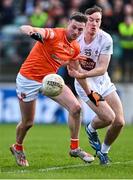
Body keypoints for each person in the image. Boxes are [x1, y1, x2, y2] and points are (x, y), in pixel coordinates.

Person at [9, 12, 96, 167]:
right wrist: (32, 31)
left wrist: (89, 92)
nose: (76, 32)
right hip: (28, 80)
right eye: (74, 27)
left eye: (80, 30)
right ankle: (18, 147)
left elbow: (76, 71)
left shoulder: (75, 47)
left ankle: (74, 148)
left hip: (50, 80)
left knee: (76, 108)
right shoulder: (54, 34)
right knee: (28, 123)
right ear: (68, 23)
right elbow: (26, 27)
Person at [67, 6, 125, 165]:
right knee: (108, 118)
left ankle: (103, 151)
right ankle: (91, 128)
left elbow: (102, 68)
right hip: (84, 84)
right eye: (91, 20)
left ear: (101, 22)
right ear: (85, 22)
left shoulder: (106, 39)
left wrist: (82, 73)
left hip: (102, 80)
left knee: (119, 122)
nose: (93, 23)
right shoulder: (76, 40)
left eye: (97, 20)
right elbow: (73, 68)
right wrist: (79, 76)